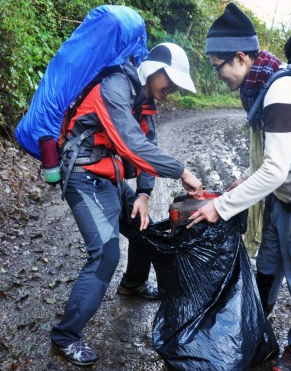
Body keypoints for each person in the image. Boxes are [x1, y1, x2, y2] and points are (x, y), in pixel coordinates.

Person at [188, 3, 291, 371]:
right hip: (283, 202)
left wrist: (220, 206)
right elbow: (270, 162)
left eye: (217, 65)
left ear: (240, 57)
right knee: (266, 268)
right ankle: (255, 328)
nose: (217, 73)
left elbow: (273, 170)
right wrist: (241, 182)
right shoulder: (264, 87)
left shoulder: (281, 91)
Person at [51, 42, 203, 366]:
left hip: (110, 176)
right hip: (83, 175)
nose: (173, 90)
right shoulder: (115, 86)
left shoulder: (144, 101)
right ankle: (66, 336)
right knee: (105, 255)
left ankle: (132, 284)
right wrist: (181, 171)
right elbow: (130, 143)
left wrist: (145, 195)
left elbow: (148, 145)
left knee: (143, 227)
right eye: (171, 81)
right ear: (156, 70)